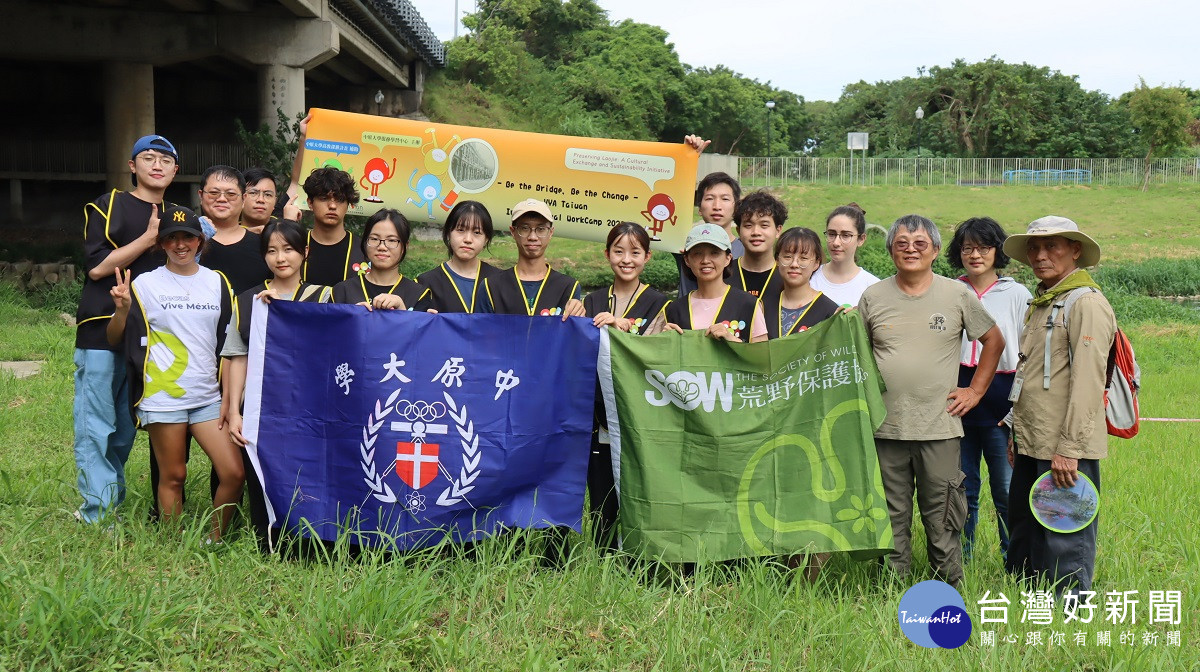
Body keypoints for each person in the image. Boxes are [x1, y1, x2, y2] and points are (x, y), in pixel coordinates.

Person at [858, 214, 1004, 587]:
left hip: (939, 426)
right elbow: (855, 354)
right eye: (902, 243)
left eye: (920, 243)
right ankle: (891, 590)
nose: (910, 249)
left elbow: (994, 340)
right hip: (884, 427)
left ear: (936, 250)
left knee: (943, 514)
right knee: (892, 515)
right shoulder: (873, 296)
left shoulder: (956, 294)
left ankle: (947, 587)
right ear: (890, 249)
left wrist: (975, 390)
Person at [106, 206, 244, 542]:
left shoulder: (218, 282)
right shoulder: (145, 284)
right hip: (163, 396)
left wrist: (230, 397)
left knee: (233, 472)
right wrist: (121, 311)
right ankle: (172, 544)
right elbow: (114, 338)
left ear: (200, 240)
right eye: (171, 238)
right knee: (173, 475)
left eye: (187, 237)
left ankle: (215, 539)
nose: (180, 244)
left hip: (207, 396)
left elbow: (230, 343)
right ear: (161, 244)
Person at [1002, 216, 1115, 595]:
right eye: (1033, 247)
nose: (1040, 255)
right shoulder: (1043, 301)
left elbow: (1088, 383)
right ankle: (1027, 601)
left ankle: (1069, 608)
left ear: (1075, 251)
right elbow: (1028, 374)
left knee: (1063, 529)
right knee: (1025, 524)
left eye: (1052, 246)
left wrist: (1070, 448)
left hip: (1065, 444)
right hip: (1033, 436)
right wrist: (1016, 432)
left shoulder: (1086, 303)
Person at [72, 134, 177, 524]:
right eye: (148, 158)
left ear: (175, 171)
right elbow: (98, 267)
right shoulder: (107, 204)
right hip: (101, 328)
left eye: (166, 160)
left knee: (124, 428)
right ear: (132, 166)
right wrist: (149, 238)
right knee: (95, 423)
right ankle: (97, 513)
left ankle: (109, 501)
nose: (157, 165)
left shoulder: (176, 215)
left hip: (149, 335)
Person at [220, 218, 333, 548]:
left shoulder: (325, 297)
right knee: (264, 473)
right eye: (271, 251)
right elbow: (236, 356)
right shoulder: (250, 300)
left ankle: (312, 540)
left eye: (288, 250)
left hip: (311, 408)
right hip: (262, 409)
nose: (280, 258)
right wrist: (235, 410)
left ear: (305, 253)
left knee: (308, 471)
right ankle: (266, 540)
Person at [946, 217, 1032, 562]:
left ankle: (1015, 560)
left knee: (1007, 490)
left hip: (1001, 405)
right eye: (967, 248)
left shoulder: (1017, 294)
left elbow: (1028, 353)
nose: (975, 254)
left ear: (998, 251)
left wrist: (1016, 411)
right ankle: (960, 558)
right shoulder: (950, 290)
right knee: (962, 489)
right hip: (957, 403)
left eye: (983, 247)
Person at [583, 223, 670, 552]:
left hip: (639, 414)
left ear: (647, 256)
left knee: (639, 488)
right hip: (598, 412)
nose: (626, 259)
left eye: (635, 252)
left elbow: (658, 355)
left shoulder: (660, 303)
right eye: (619, 251)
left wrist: (623, 330)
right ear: (607, 255)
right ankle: (603, 559)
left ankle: (639, 556)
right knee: (602, 493)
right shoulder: (591, 301)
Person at [665, 223, 767, 344]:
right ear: (687, 260)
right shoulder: (675, 309)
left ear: (728, 258)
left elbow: (762, 356)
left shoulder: (748, 305)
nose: (705, 260)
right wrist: (664, 340)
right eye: (698, 253)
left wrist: (732, 340)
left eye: (714, 253)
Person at [482, 199, 585, 318]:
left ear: (551, 233)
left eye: (541, 229)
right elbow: (481, 333)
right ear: (513, 232)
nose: (533, 237)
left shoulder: (568, 287)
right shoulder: (491, 287)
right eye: (524, 228)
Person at [331, 209, 431, 311]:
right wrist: (352, 317)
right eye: (374, 239)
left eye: (391, 240)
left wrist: (402, 311)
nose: (382, 247)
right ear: (365, 242)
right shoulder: (342, 291)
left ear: (405, 246)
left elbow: (419, 327)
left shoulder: (418, 295)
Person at [196, 165, 271, 297]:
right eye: (214, 193)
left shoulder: (263, 244)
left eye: (231, 194)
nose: (222, 199)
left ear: (244, 199)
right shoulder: (185, 243)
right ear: (201, 196)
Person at [416, 200, 501, 313]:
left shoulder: (500, 281)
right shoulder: (425, 284)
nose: (468, 239)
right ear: (448, 233)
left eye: (477, 232)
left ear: (486, 239)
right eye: (460, 230)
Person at [761, 227, 840, 339]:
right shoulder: (762, 307)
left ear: (816, 263)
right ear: (777, 260)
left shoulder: (829, 312)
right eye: (787, 257)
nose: (794, 264)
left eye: (803, 258)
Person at [674, 172, 743, 296]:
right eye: (709, 198)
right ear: (699, 207)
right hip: (686, 313)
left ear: (736, 207)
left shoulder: (747, 250)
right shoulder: (683, 243)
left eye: (725, 199)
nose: (717, 206)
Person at [300, 167, 368, 287]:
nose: (332, 205)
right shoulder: (296, 246)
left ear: (349, 204)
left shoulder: (364, 250)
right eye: (324, 198)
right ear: (310, 203)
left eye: (340, 199)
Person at [810, 203, 879, 307]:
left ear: (861, 239)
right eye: (832, 234)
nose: (836, 243)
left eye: (846, 235)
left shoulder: (873, 287)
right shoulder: (810, 278)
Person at [727, 190, 785, 298]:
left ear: (778, 230)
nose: (756, 232)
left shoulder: (788, 276)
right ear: (739, 231)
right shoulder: (724, 273)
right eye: (748, 225)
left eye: (764, 225)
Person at [240, 167, 280, 234]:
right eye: (253, 193)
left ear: (275, 202)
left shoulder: (282, 230)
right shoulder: (222, 234)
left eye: (268, 195)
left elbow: (295, 182)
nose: (261, 200)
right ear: (240, 197)